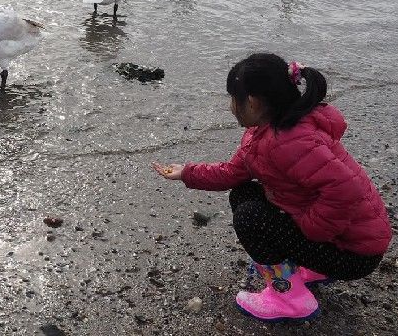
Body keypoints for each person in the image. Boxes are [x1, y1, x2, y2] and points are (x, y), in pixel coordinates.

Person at [152, 53, 391, 322]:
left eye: (234, 99)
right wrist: (187, 172)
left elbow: (346, 192)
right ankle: (307, 270)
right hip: (345, 238)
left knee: (250, 218)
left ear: (252, 101)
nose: (231, 107)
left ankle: (289, 297)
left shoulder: (289, 141)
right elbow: (233, 173)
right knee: (244, 193)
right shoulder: (271, 128)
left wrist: (312, 231)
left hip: (354, 253)